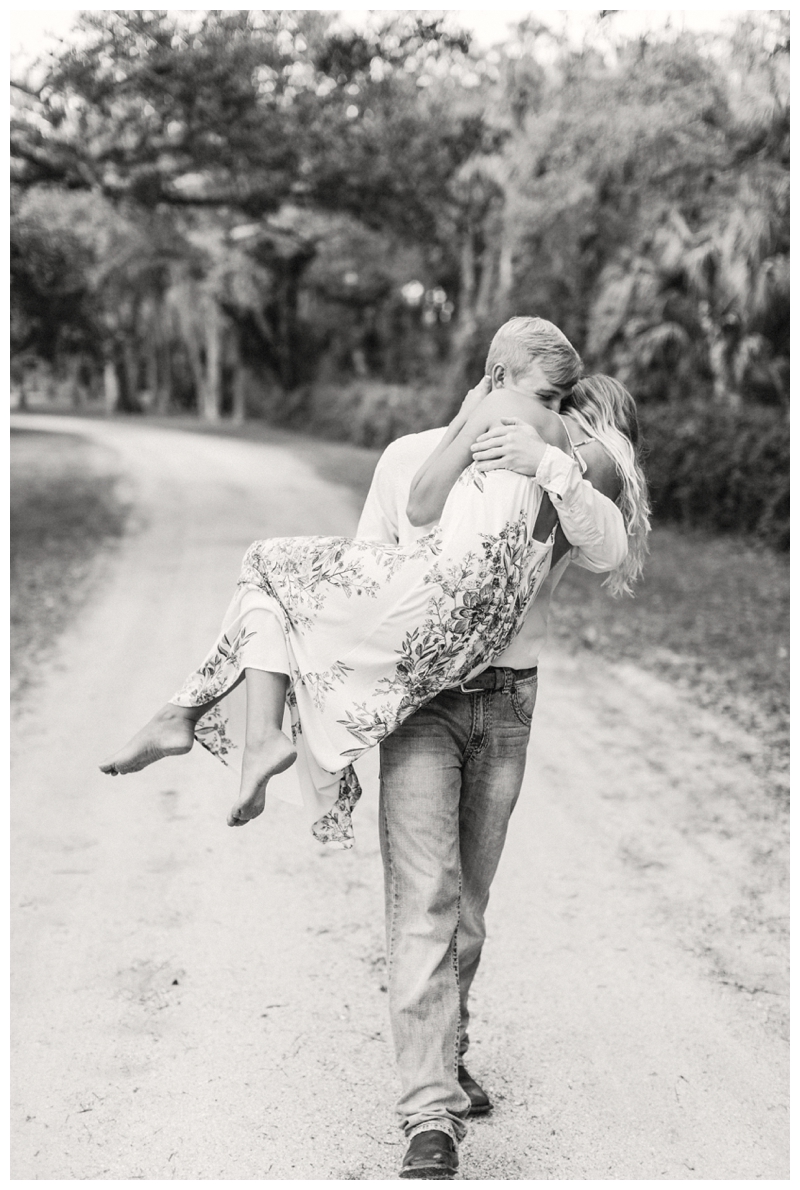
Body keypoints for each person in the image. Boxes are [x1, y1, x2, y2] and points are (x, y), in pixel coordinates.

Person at [355, 341, 649, 1177]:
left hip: (508, 703)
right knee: (426, 903)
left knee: (469, 908)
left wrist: (549, 466)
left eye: (563, 402)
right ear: (496, 383)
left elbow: (610, 553)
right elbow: (370, 566)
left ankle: (448, 1049)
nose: (557, 413)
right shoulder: (411, 456)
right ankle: (427, 1118)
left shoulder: (553, 461)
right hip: (422, 705)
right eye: (548, 396)